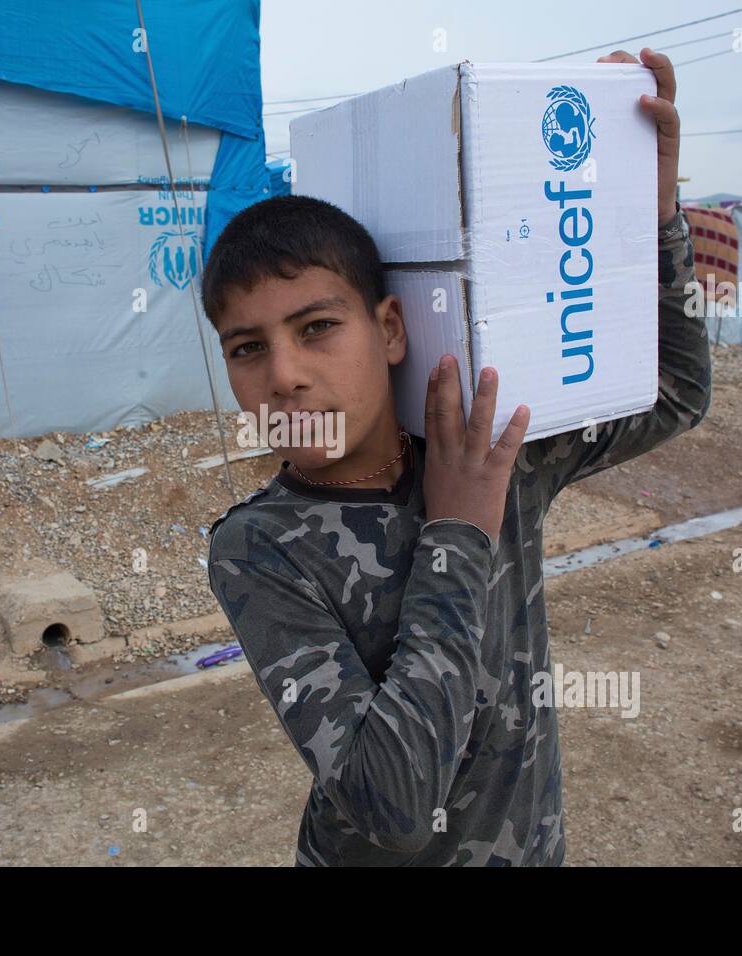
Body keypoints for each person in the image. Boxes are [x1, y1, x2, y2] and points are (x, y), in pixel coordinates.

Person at [200, 48, 709, 865]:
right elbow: (392, 804)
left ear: (390, 328)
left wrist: (652, 217)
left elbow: (677, 394)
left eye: (318, 328)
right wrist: (459, 533)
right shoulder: (262, 547)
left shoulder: (492, 458)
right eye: (247, 349)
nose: (284, 376)